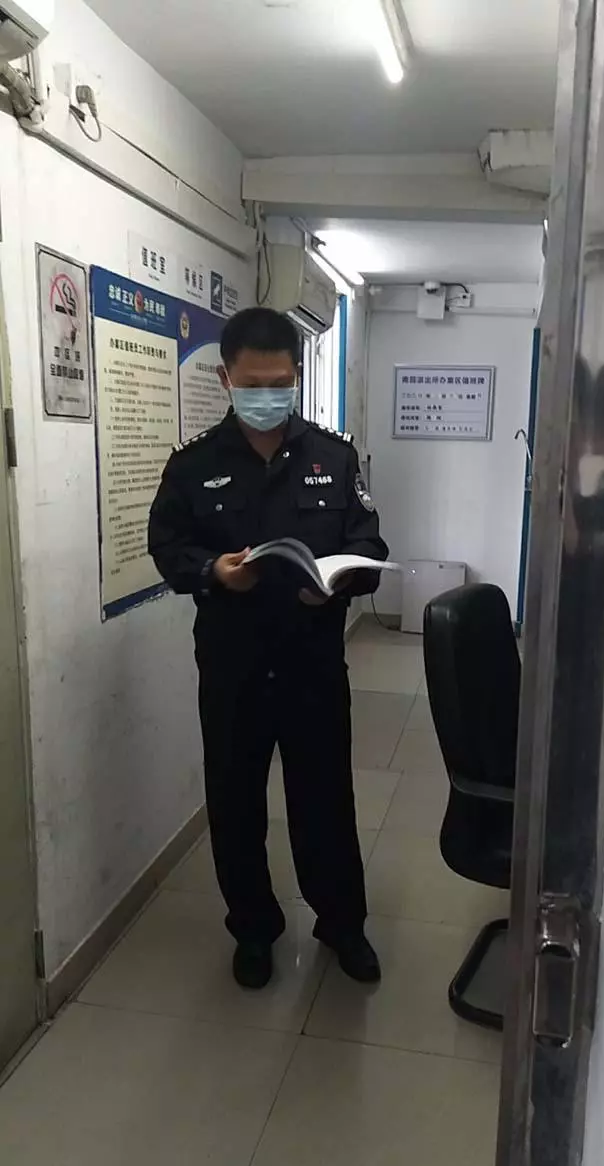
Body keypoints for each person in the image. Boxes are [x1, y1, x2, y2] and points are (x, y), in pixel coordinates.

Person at [148, 306, 389, 990]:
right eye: (252, 384)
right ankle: (253, 929)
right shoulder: (193, 464)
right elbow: (167, 545)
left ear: (297, 375)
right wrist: (213, 571)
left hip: (312, 663)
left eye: (279, 382)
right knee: (235, 803)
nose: (266, 395)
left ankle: (341, 923)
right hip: (234, 667)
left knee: (325, 800)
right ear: (226, 379)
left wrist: (338, 582)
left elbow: (369, 544)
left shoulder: (333, 457)